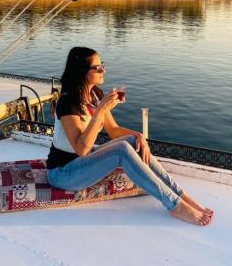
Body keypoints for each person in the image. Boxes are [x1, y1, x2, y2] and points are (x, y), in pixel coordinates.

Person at [47, 46, 213, 226]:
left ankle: (180, 195)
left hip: (82, 162)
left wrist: (138, 135)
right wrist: (100, 111)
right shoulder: (68, 102)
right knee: (121, 150)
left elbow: (113, 130)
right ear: (82, 72)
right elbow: (81, 149)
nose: (103, 70)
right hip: (63, 173)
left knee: (133, 142)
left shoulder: (93, 95)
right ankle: (174, 205)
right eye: (97, 68)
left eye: (102, 65)